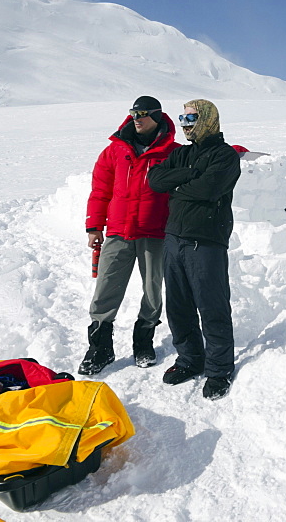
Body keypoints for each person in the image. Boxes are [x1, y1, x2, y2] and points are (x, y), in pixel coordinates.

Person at [147, 99, 241, 400]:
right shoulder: (182, 153)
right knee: (178, 307)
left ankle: (219, 369)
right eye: (182, 118)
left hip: (207, 242)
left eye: (191, 117)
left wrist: (179, 186)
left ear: (208, 119)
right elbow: (155, 180)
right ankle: (190, 359)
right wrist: (189, 176)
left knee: (212, 307)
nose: (186, 123)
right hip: (174, 239)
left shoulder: (225, 156)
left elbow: (210, 189)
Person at [80, 96, 179, 376]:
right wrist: (93, 227)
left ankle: (143, 342)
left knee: (152, 290)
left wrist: (236, 152)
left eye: (144, 113)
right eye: (134, 113)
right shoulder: (114, 151)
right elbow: (100, 191)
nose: (137, 118)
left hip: (155, 233)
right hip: (118, 233)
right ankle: (100, 347)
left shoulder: (172, 152)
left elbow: (200, 160)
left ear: (157, 117)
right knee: (105, 290)